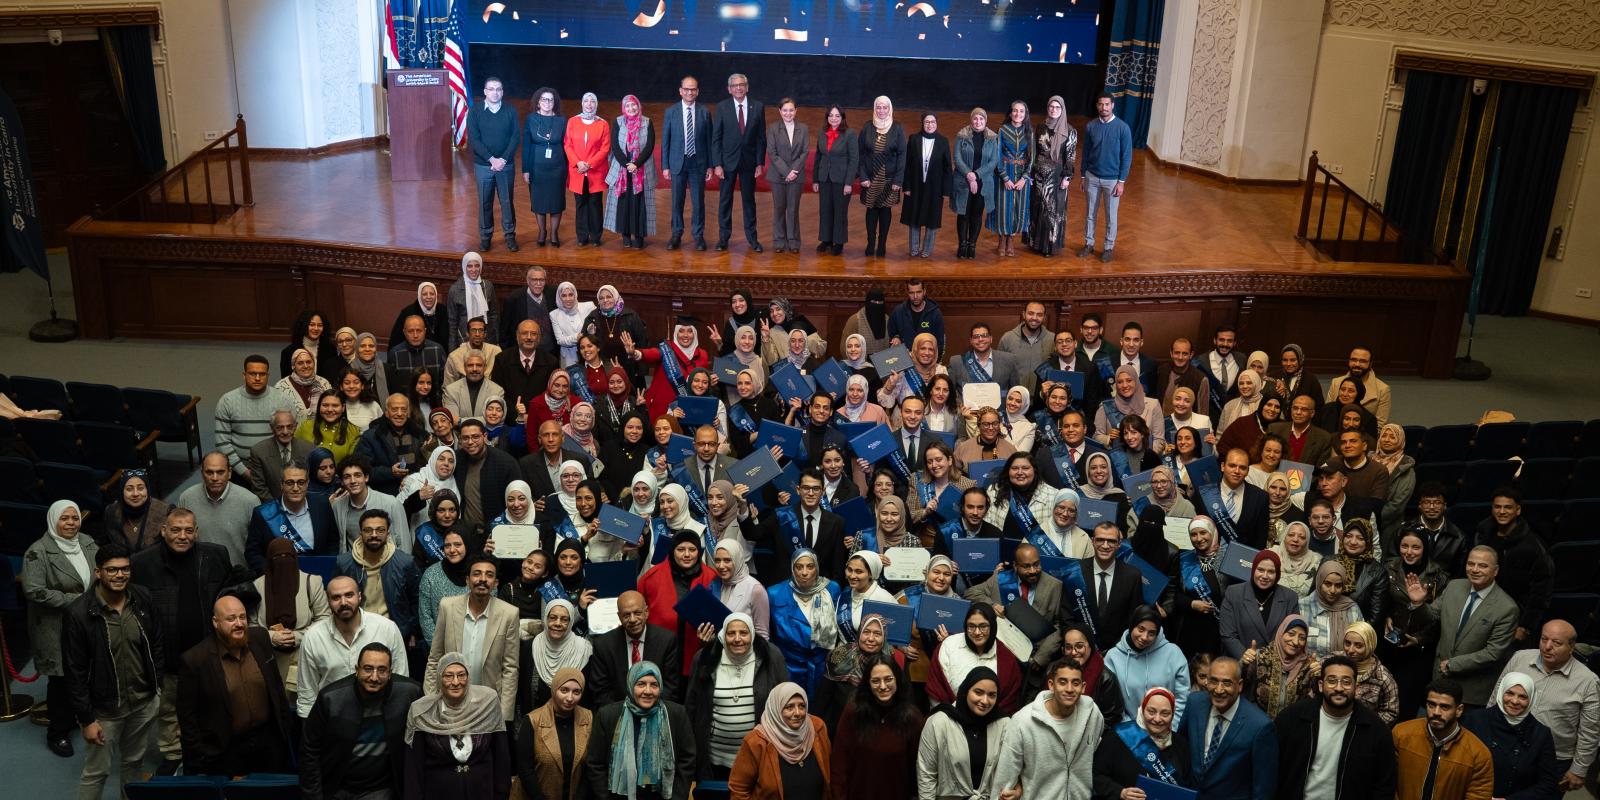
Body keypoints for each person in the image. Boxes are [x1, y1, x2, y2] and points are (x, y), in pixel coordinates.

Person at [130, 507, 254, 771]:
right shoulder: (142, 563)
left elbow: (228, 595)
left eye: (188, 530)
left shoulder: (215, 555)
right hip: (167, 653)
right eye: (175, 530)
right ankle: (173, 754)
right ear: (163, 531)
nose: (182, 536)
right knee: (169, 709)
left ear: (196, 532)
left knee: (213, 702)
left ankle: (212, 749)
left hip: (209, 650)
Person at [64, 542, 165, 800]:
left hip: (142, 704)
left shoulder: (142, 597)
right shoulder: (78, 613)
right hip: (104, 712)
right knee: (96, 773)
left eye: (125, 569)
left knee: (134, 763)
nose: (120, 575)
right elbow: (74, 671)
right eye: (112, 570)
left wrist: (157, 688)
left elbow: (156, 643)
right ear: (98, 572)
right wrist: (86, 719)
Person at [175, 595, 295, 775]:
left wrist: (284, 733)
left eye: (242, 617)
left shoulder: (260, 638)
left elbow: (276, 687)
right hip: (226, 751)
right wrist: (200, 758)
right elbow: (187, 718)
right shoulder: (195, 660)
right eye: (231, 619)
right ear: (216, 622)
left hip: (269, 745)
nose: (239, 624)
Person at [1395, 545, 1520, 707]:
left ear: (1495, 571)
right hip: (1439, 684)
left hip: (1471, 692)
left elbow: (1493, 652)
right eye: (1471, 564)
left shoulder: (1506, 608)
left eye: (1482, 566)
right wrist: (1419, 603)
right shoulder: (1454, 586)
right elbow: (1431, 616)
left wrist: (1453, 664)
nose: (1475, 569)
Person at [22, 500, 99, 757]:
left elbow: (101, 571)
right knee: (62, 680)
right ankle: (58, 733)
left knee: (86, 672)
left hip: (87, 621)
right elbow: (34, 590)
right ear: (53, 520)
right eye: (64, 518)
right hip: (55, 625)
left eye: (74, 518)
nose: (71, 523)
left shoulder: (87, 542)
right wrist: (77, 601)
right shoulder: (38, 551)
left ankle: (82, 718)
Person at [301, 642, 424, 800]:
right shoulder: (330, 699)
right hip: (336, 786)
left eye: (382, 670)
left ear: (390, 673)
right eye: (368, 669)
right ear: (356, 670)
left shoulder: (409, 694)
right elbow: (309, 750)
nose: (374, 677)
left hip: (380, 789)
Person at [1272, 654, 1397, 800]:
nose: (1339, 688)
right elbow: (1272, 769)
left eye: (1346, 682)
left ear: (1356, 687)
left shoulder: (1376, 730)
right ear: (1321, 685)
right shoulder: (1291, 719)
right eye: (1331, 681)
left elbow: (1384, 786)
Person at [1497, 619, 1600, 791]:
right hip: (1506, 747)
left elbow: (1590, 731)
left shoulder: (1588, 681)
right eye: (1544, 639)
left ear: (1572, 647)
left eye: (1556, 643)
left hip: (1553, 760)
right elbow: (1496, 698)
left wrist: (1579, 770)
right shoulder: (1520, 659)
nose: (1547, 647)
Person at [684, 612, 789, 779]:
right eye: (731, 633)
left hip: (758, 757)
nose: (737, 639)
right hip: (714, 759)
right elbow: (692, 706)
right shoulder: (706, 657)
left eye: (743, 633)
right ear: (723, 635)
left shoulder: (770, 656)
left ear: (752, 634)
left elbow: (785, 701)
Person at [297, 575, 411, 717]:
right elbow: (307, 692)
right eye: (336, 597)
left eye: (349, 595)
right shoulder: (313, 636)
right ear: (328, 601)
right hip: (333, 717)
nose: (343, 602)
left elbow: (401, 679)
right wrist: (308, 725)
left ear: (359, 596)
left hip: (379, 715)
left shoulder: (387, 628)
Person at [424, 554, 520, 722]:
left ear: (496, 583)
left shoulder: (509, 614)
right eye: (477, 574)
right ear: (467, 580)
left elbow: (510, 669)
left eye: (489, 575)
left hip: (488, 704)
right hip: (449, 701)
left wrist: (504, 716)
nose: (482, 579)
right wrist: (431, 701)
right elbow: (435, 658)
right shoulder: (448, 607)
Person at [403, 653, 512, 800]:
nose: (455, 682)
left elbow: (501, 758)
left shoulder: (487, 705)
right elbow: (413, 769)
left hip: (482, 792)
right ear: (439, 679)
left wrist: (502, 794)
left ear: (468, 677)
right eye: (448, 676)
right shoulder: (423, 712)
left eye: (461, 675)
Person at [992, 657, 1103, 799]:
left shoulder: (1092, 713)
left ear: (1083, 687)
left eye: (1075, 683)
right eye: (1062, 682)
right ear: (1051, 685)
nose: (1069, 689)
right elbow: (1005, 774)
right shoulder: (1023, 721)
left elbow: (1095, 752)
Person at [584, 661, 697, 800]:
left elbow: (687, 760)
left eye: (654, 685)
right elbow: (595, 764)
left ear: (660, 687)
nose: (648, 691)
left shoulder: (677, 714)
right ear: (631, 685)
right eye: (641, 684)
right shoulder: (607, 716)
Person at [253, 536, 331, 701]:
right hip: (268, 659)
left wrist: (297, 637)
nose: (283, 561)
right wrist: (271, 637)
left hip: (303, 656)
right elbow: (250, 625)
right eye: (277, 557)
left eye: (287, 556)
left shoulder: (312, 582)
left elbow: (324, 619)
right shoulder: (257, 586)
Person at [1473, 487, 1553, 645]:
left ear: (1518, 510)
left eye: (1508, 507)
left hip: (1513, 617)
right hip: (1480, 611)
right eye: (1497, 507)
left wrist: (1526, 626)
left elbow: (1542, 590)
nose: (1502, 511)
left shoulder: (1533, 547)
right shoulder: (1482, 536)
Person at [1466, 671, 1564, 800]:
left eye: (1523, 697)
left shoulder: (1540, 733)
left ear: (1531, 699)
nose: (1515, 701)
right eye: (1510, 693)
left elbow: (1548, 783)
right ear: (1501, 692)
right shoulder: (1475, 720)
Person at [1393, 678, 1494, 800]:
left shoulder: (1478, 754)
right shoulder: (1401, 734)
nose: (1436, 712)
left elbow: (1478, 796)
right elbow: (1386, 782)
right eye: (1431, 705)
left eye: (1444, 707)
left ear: (1459, 710)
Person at [728, 682, 831, 800]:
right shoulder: (756, 742)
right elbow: (738, 790)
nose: (798, 713)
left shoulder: (817, 728)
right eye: (789, 707)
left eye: (802, 706)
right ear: (776, 709)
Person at [587, 591, 682, 706]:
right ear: (619, 617)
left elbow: (670, 688)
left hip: (656, 710)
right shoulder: (604, 645)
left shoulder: (666, 641)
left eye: (637, 613)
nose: (632, 619)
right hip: (618, 711)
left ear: (646, 612)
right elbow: (600, 691)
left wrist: (651, 712)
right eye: (626, 615)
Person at [1093, 686, 1191, 797]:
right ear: (1142, 710)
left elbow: (1187, 786)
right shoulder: (1118, 736)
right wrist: (1120, 792)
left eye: (1165, 714)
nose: (1157, 719)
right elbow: (1096, 775)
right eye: (1151, 712)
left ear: (1172, 715)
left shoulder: (1181, 744)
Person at [927, 603, 1023, 715]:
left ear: (993, 627)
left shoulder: (1006, 658)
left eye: (983, 626)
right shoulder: (948, 646)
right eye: (971, 626)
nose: (977, 632)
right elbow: (936, 688)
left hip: (989, 722)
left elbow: (1009, 701)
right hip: (948, 718)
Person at [1104, 605, 1191, 725]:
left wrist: (1170, 727)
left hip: (1166, 728)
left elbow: (1183, 697)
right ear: (1132, 626)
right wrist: (1131, 730)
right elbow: (1113, 703)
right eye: (1141, 629)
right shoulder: (1113, 657)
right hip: (1129, 731)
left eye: (1151, 633)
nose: (1144, 637)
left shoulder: (1173, 653)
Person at [215, 354, 293, 485]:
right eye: (252, 374)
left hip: (273, 466)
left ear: (268, 375)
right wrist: (244, 472)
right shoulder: (227, 401)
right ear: (244, 375)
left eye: (262, 374)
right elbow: (222, 443)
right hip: (239, 467)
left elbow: (290, 436)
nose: (257, 378)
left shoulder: (282, 400)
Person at [515, 666, 591, 800]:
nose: (570, 698)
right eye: (564, 690)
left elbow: (590, 765)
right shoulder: (533, 720)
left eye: (576, 692)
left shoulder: (588, 718)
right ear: (554, 689)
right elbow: (525, 768)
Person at [247, 462, 339, 570]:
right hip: (279, 575)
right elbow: (252, 553)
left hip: (317, 573)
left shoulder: (322, 505)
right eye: (290, 483)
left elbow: (333, 542)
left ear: (307, 483)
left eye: (301, 482)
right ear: (281, 485)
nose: (295, 488)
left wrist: (327, 567)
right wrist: (273, 572)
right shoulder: (264, 513)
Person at [711, 72, 766, 251]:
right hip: (727, 163)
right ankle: (723, 238)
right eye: (735, 86)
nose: (739, 88)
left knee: (749, 201)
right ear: (729, 89)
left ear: (747, 87)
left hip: (749, 162)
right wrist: (717, 164)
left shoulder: (758, 107)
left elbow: (761, 138)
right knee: (725, 200)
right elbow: (716, 138)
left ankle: (753, 239)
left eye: (742, 85)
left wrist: (760, 162)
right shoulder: (722, 107)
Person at [465, 76, 520, 252]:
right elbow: (474, 139)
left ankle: (510, 236)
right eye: (491, 89)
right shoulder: (475, 111)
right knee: (484, 203)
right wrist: (491, 159)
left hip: (505, 165)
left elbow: (515, 137)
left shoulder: (511, 110)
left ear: (502, 92)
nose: (495, 92)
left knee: (507, 201)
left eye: (498, 89)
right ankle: (485, 237)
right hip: (483, 166)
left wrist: (503, 159)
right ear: (485, 92)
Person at [1078, 93, 1133, 262]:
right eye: (1101, 104)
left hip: (1112, 181)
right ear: (1097, 106)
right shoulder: (1091, 126)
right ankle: (1088, 244)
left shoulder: (1123, 128)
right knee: (1090, 213)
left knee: (1111, 216)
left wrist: (1121, 182)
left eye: (1107, 104)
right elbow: (1086, 152)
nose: (1104, 107)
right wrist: (1083, 175)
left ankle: (1108, 247)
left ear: (1112, 105)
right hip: (1092, 177)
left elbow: (1127, 157)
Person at [661, 75, 713, 251]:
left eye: (693, 89)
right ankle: (676, 234)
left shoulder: (705, 112)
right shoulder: (671, 112)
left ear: (697, 92)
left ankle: (698, 236)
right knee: (677, 201)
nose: (690, 92)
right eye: (687, 89)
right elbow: (666, 141)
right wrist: (665, 166)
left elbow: (709, 141)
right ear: (681, 91)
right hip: (677, 163)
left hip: (698, 163)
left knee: (698, 202)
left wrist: (710, 165)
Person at [1219, 549, 1301, 659]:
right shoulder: (1234, 593)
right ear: (1253, 570)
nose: (1265, 576)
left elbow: (1294, 634)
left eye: (1271, 572)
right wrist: (1244, 655)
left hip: (1276, 663)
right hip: (1240, 662)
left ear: (1277, 574)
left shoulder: (1290, 597)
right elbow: (1227, 634)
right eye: (1260, 570)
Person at [1025, 95, 1078, 257]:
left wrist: (1067, 178)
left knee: (1053, 210)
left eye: (1057, 107)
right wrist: (1031, 172)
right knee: (1038, 207)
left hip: (1057, 176)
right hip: (1039, 175)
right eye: (1051, 107)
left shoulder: (1070, 131)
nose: (1054, 110)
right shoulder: (1041, 127)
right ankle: (1036, 244)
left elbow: (1070, 156)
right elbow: (1035, 151)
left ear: (1062, 109)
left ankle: (1049, 246)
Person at [1239, 615, 1318, 719]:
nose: (1295, 642)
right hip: (1258, 722)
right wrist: (1244, 663)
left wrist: (1319, 675)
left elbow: (1316, 700)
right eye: (1291, 634)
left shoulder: (1309, 665)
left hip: (1292, 726)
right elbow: (1240, 682)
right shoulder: (1261, 656)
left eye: (1302, 638)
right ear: (1281, 633)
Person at [855, 95, 905, 257]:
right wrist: (863, 176)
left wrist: (898, 180)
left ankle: (882, 244)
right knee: (871, 210)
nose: (881, 110)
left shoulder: (897, 128)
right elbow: (859, 153)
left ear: (890, 109)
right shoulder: (867, 127)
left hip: (889, 179)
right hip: (870, 179)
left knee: (885, 210)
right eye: (878, 107)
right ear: (874, 109)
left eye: (885, 107)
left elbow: (902, 155)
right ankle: (871, 243)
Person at [606, 94, 657, 249]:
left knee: (640, 204)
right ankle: (626, 235)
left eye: (633, 105)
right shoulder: (618, 122)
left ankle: (639, 236)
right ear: (623, 108)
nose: (631, 108)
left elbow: (650, 145)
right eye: (627, 106)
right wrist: (627, 164)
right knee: (624, 204)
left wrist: (636, 164)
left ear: (638, 105)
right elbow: (615, 146)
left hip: (641, 169)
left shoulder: (647, 122)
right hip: (622, 169)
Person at [527, 598, 594, 712]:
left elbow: (588, 695)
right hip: (537, 719)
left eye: (564, 619)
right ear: (546, 619)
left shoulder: (584, 649)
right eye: (553, 618)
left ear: (571, 622)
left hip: (575, 720)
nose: (558, 623)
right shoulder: (532, 647)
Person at [759, 97, 807, 254]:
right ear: (780, 111)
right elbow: (772, 153)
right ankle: (779, 240)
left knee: (793, 209)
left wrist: (793, 171)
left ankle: (794, 241)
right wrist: (787, 172)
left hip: (796, 176)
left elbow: (804, 152)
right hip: (778, 176)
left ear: (796, 111)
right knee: (779, 209)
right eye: (785, 110)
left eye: (791, 110)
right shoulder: (773, 128)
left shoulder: (803, 128)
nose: (788, 113)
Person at [900, 111, 950, 259]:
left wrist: (945, 190)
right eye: (927, 122)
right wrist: (906, 186)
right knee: (914, 217)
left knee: (932, 219)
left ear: (936, 123)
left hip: (935, 188)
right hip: (915, 186)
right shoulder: (914, 139)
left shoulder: (943, 141)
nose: (930, 125)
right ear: (922, 123)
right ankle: (914, 248)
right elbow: (907, 164)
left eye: (933, 122)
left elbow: (947, 168)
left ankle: (927, 249)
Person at [951, 107, 1000, 260]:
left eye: (981, 119)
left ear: (985, 120)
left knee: (977, 214)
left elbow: (993, 161)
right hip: (963, 182)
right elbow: (957, 158)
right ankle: (962, 244)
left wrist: (976, 175)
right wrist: (969, 175)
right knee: (963, 214)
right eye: (975, 118)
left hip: (983, 183)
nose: (978, 122)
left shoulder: (992, 138)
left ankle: (972, 245)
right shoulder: (962, 135)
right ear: (971, 120)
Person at [810, 104, 858, 255]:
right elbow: (818, 156)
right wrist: (816, 179)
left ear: (842, 117)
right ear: (827, 117)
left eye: (837, 115)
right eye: (831, 115)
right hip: (824, 178)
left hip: (841, 180)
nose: (834, 118)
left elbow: (854, 160)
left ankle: (839, 242)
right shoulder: (822, 132)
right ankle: (826, 239)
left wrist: (849, 183)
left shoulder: (850, 134)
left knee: (840, 212)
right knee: (825, 210)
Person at [987, 100, 1034, 258]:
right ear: (1010, 112)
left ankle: (1011, 240)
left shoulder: (1029, 132)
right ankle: (1001, 239)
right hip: (1004, 174)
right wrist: (1005, 177)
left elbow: (1032, 158)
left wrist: (1024, 178)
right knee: (1003, 207)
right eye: (1015, 110)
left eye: (1021, 111)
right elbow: (997, 155)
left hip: (1021, 176)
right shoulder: (1002, 130)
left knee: (1017, 208)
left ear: (1025, 114)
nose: (1017, 114)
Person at [522, 88, 568, 247]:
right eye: (544, 99)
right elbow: (526, 145)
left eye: (550, 100)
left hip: (558, 167)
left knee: (556, 201)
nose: (547, 102)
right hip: (536, 167)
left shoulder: (561, 120)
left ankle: (554, 233)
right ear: (538, 102)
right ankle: (542, 231)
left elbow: (567, 145)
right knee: (538, 201)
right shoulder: (531, 119)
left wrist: (569, 169)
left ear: (554, 103)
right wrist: (525, 169)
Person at [564, 92, 611, 247]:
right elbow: (568, 145)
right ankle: (582, 236)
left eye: (592, 101)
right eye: (586, 101)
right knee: (580, 203)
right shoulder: (572, 121)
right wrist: (578, 163)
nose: (589, 104)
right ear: (582, 104)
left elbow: (605, 149)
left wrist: (589, 164)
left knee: (595, 203)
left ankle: (596, 236)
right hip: (577, 171)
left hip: (595, 171)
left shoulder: (603, 124)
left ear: (596, 105)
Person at [1299, 560, 1364, 659]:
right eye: (1328, 584)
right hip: (1309, 666)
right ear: (1319, 582)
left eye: (1338, 585)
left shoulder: (1352, 609)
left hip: (1344, 666)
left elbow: (1362, 645)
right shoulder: (1302, 607)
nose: (1332, 590)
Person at [246, 410, 315, 501]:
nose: (285, 432)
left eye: (289, 427)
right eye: (280, 427)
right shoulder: (259, 451)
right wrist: (277, 507)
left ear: (295, 426)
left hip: (302, 504)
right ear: (272, 428)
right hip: (272, 505)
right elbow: (259, 488)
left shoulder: (309, 449)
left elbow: (312, 484)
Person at [100, 470, 171, 554]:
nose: (135, 494)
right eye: (129, 489)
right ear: (122, 491)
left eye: (140, 488)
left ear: (147, 490)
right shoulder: (111, 512)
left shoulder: (165, 511)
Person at [1323, 347, 1392, 427]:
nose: (1357, 364)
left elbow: (1379, 426)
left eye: (1363, 361)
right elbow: (1326, 415)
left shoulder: (1382, 389)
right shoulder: (1336, 382)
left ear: (1370, 364)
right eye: (1354, 360)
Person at [1268, 393, 1334, 468]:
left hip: (1307, 475)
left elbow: (1320, 470)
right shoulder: (1275, 430)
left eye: (1304, 409)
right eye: (1295, 408)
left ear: (1312, 413)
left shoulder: (1324, 438)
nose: (1298, 412)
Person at [280, 309, 342, 383]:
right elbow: (286, 381)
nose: (316, 328)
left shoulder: (330, 350)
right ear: (303, 326)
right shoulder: (288, 352)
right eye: (312, 325)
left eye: (320, 325)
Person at [389, 315, 448, 386]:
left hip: (432, 393)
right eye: (410, 331)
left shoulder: (438, 350)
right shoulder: (395, 353)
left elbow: (444, 382)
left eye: (419, 331)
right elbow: (392, 384)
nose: (415, 335)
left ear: (425, 331)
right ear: (404, 332)